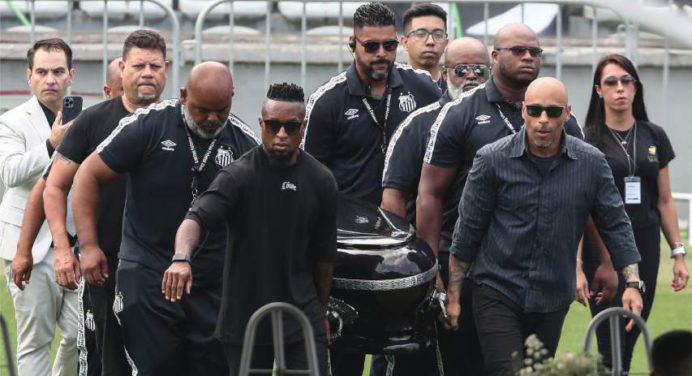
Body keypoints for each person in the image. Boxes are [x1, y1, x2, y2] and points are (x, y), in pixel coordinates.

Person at [446, 77, 644, 376]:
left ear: (567, 113)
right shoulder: (492, 159)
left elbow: (616, 223)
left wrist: (632, 283)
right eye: (535, 110)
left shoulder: (591, 163)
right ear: (523, 110)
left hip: (552, 294)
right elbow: (467, 232)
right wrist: (454, 293)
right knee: (506, 370)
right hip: (497, 289)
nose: (543, 120)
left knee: (538, 372)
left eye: (552, 112)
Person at [71, 61, 257, 375]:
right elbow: (87, 175)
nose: (211, 119)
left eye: (220, 110)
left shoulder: (243, 142)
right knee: (156, 366)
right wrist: (89, 246)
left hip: (210, 278)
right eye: (201, 110)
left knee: (212, 366)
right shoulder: (149, 125)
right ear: (184, 95)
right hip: (147, 269)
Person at [163, 82, 337, 376]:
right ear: (261, 124)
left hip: (301, 316)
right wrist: (181, 258)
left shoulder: (321, 180)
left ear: (303, 127)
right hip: (246, 316)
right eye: (272, 125)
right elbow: (196, 219)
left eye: (290, 127)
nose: (281, 135)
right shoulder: (238, 176)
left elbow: (324, 257)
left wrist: (320, 313)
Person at [416, 22, 584, 324]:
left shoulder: (560, 115)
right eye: (518, 50)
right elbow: (429, 195)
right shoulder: (460, 112)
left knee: (529, 367)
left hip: (537, 268)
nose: (529, 57)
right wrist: (432, 269)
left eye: (535, 51)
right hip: (465, 262)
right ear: (494, 56)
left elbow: (585, 192)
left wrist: (588, 262)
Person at [42, 29, 169, 376]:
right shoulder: (92, 121)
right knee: (105, 360)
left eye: (154, 66)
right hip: (102, 264)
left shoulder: (176, 123)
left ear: (167, 70)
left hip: (162, 266)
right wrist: (66, 250)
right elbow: (53, 187)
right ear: (122, 68)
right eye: (139, 65)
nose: (147, 73)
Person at [379, 36, 490, 376]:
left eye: (479, 70)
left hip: (495, 262)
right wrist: (417, 266)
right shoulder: (419, 124)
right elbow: (393, 198)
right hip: (438, 256)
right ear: (444, 73)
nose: (470, 76)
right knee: (425, 360)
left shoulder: (504, 122)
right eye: (461, 70)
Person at [580, 53, 690, 374]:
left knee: (632, 329)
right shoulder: (588, 139)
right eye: (611, 82)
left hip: (646, 246)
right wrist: (578, 263)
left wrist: (678, 252)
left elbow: (665, 200)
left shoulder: (654, 135)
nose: (620, 88)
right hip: (601, 250)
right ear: (598, 90)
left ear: (636, 88)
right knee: (608, 336)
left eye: (627, 81)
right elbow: (581, 206)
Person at [304, 2, 441, 207]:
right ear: (352, 43)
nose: (381, 53)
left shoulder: (423, 87)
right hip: (349, 229)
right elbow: (310, 178)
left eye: (389, 45)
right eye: (371, 46)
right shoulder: (327, 100)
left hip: (408, 224)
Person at [1, 38, 78, 376]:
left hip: (74, 244)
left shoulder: (85, 119)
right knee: (35, 341)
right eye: (43, 72)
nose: (51, 79)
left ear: (71, 75)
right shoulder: (11, 121)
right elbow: (10, 172)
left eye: (58, 71)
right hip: (27, 245)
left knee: (81, 334)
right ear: (29, 76)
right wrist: (51, 144)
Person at [400, 3, 448, 89]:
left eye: (438, 34)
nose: (430, 41)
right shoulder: (389, 89)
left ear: (446, 43)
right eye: (421, 34)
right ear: (405, 42)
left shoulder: (454, 92)